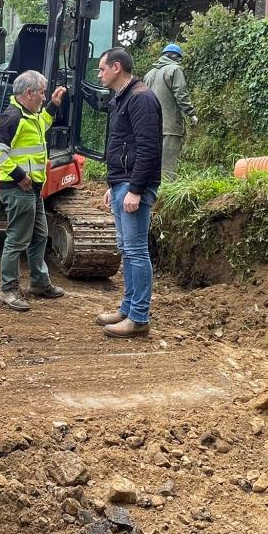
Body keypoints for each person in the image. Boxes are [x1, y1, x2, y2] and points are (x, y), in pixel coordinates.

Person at [94, 48, 163, 338]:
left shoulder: (141, 98)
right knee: (127, 249)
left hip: (134, 186)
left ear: (116, 67)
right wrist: (114, 186)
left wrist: (135, 189)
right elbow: (122, 145)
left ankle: (138, 317)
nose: (99, 74)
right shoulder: (123, 98)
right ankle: (128, 307)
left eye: (101, 69)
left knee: (136, 251)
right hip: (122, 184)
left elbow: (148, 149)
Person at [0, 70, 68, 312]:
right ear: (29, 93)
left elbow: (43, 123)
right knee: (17, 239)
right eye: (42, 93)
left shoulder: (30, 115)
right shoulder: (13, 117)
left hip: (33, 190)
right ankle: (8, 290)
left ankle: (40, 283)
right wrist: (20, 177)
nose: (43, 97)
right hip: (18, 189)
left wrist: (53, 104)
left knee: (39, 236)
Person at [144, 43, 197, 179]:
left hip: (150, 126)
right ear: (177, 57)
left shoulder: (149, 74)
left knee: (151, 163)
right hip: (169, 125)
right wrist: (191, 114)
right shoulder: (175, 70)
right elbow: (181, 94)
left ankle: (150, 191)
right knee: (168, 166)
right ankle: (165, 194)